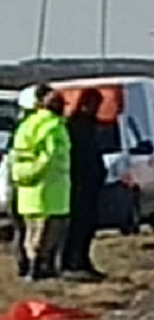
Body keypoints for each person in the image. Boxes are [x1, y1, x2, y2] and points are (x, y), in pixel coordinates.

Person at [9, 88, 71, 281]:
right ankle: (38, 270)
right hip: (50, 192)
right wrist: (38, 172)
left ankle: (32, 269)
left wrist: (25, 176)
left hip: (27, 191)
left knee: (30, 233)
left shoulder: (26, 126)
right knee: (46, 236)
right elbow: (50, 158)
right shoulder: (53, 127)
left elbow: (16, 155)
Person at [8, 83, 53, 278]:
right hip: (30, 185)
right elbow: (44, 158)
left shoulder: (24, 126)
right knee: (31, 231)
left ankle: (26, 266)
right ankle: (31, 268)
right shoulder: (38, 126)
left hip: (20, 182)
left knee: (24, 230)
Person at [62, 88, 106, 280]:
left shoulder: (90, 125)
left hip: (90, 183)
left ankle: (83, 260)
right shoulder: (74, 125)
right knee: (77, 226)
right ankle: (72, 262)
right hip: (78, 183)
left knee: (88, 225)